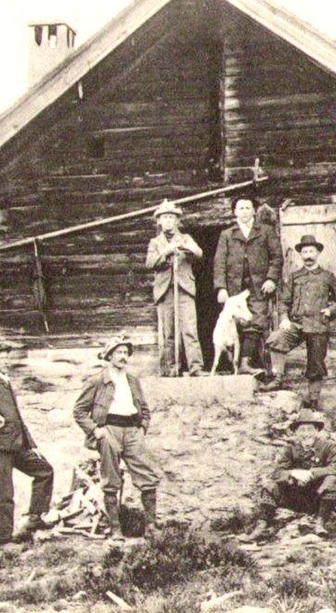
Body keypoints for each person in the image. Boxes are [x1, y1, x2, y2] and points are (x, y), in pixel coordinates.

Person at [0, 340, 54, 548]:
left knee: (44, 471)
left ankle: (34, 518)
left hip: (16, 444)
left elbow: (17, 418)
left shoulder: (4, 381)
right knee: (3, 492)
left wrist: (31, 445)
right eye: (2, 357)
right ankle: (2, 539)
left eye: (6, 356)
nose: (6, 360)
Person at [73, 335, 160, 541]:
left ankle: (151, 527)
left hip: (132, 430)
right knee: (111, 480)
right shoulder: (98, 381)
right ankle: (115, 528)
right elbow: (79, 411)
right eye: (118, 352)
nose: (123, 357)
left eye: (125, 353)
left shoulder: (132, 381)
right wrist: (95, 431)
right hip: (109, 430)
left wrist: (142, 429)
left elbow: (145, 410)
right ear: (109, 355)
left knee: (147, 477)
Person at [260, 235, 336, 408]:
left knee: (315, 364)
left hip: (318, 325)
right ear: (300, 254)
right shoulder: (294, 277)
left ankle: (314, 400)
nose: (308, 255)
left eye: (311, 251)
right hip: (297, 323)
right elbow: (284, 301)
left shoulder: (327, 276)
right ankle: (277, 378)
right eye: (305, 251)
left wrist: (331, 310)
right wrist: (284, 318)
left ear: (318, 253)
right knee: (277, 338)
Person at [213, 196, 283, 374]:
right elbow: (219, 263)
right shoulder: (227, 234)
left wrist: (271, 279)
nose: (244, 211)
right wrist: (221, 287)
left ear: (254, 211)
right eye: (241, 208)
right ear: (234, 212)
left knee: (256, 321)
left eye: (247, 208)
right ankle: (232, 365)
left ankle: (245, 363)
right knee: (232, 325)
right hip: (234, 289)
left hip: (259, 286)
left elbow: (276, 257)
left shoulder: (266, 231)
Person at [251, 408, 336, 539]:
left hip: (318, 498)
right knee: (270, 486)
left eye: (310, 429)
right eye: (302, 430)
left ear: (317, 431)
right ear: (296, 432)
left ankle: (320, 523)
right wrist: (294, 473)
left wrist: (313, 473)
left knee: (331, 480)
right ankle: (260, 527)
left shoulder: (327, 447)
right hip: (295, 497)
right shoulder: (290, 449)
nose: (306, 434)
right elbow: (277, 473)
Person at [145, 199, 204, 377]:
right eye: (165, 218)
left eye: (172, 217)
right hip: (165, 292)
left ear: (177, 221)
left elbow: (199, 253)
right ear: (159, 221)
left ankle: (196, 368)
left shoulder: (185, 238)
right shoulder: (155, 242)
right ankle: (170, 369)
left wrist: (184, 246)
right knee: (168, 333)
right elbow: (149, 263)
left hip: (184, 290)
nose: (168, 221)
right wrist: (167, 251)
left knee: (189, 330)